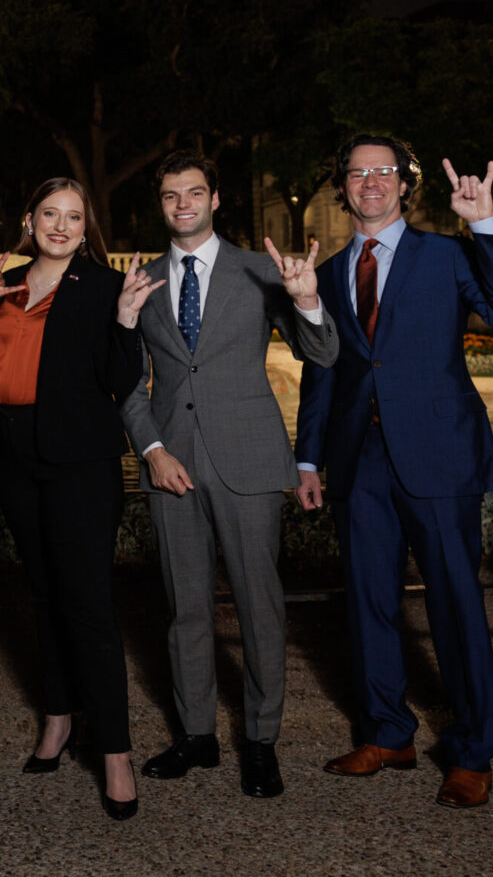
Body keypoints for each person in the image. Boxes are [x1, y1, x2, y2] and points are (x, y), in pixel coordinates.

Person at [295, 134, 493, 810]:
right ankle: (387, 732)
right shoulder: (336, 269)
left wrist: (485, 222)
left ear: (405, 184)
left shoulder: (450, 253)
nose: (370, 181)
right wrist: (309, 456)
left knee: (456, 602)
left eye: (384, 171)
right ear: (341, 187)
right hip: (357, 464)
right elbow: (325, 371)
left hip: (438, 456)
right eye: (357, 172)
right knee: (368, 602)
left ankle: (472, 750)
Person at [117, 150, 338, 799]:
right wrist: (152, 447)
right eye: (169, 195)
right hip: (171, 464)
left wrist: (309, 299)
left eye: (194, 192)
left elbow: (322, 353)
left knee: (259, 608)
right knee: (185, 609)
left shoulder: (257, 270)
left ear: (216, 199)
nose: (182, 203)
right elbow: (126, 380)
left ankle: (261, 741)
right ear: (160, 205)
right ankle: (195, 736)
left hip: (248, 460)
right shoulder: (143, 280)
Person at [0, 176, 161, 821]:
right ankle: (57, 717)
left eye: (72, 216)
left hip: (79, 464)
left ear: (86, 226)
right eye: (48, 213)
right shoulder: (4, 284)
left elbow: (117, 379)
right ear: (29, 218)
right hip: (14, 458)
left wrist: (128, 319)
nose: (59, 225)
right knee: (43, 593)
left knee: (88, 603)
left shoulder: (105, 287)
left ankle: (113, 749)